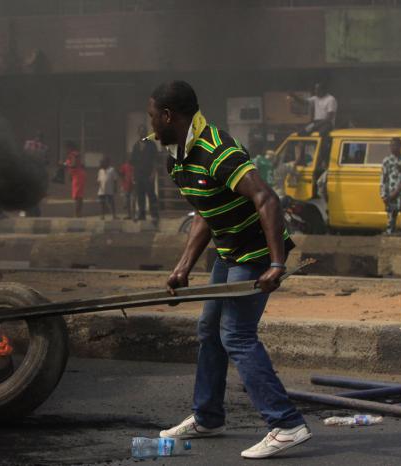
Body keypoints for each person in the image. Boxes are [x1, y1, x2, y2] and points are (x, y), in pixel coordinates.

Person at [148, 81, 310, 459]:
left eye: (153, 116)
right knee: (209, 329)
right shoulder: (177, 157)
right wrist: (182, 267)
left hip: (254, 252)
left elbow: (265, 198)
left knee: (235, 334)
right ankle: (208, 416)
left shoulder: (217, 151)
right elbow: (208, 212)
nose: (151, 124)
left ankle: (286, 424)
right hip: (228, 249)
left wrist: (275, 263)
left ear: (169, 115)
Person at [130, 124, 160, 222]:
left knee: (151, 195)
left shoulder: (152, 145)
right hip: (139, 175)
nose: (142, 133)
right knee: (140, 195)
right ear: (138, 133)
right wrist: (133, 176)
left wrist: (153, 174)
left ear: (146, 133)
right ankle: (142, 214)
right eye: (140, 131)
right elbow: (132, 163)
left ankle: (154, 215)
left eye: (144, 131)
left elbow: (155, 161)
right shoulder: (135, 146)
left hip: (148, 174)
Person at [380, 137, 401, 234]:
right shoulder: (387, 160)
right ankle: (390, 235)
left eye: (395, 145)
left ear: (400, 146)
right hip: (391, 193)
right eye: (391, 145)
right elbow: (383, 178)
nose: (393, 148)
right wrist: (383, 194)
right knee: (391, 217)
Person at [22, 131, 49, 217]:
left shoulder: (28, 144)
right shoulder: (44, 147)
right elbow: (45, 161)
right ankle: (34, 211)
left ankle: (29, 211)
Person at [63, 140, 86, 217]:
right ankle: (78, 213)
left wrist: (64, 165)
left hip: (78, 176)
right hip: (77, 176)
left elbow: (73, 165)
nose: (65, 150)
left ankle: (77, 214)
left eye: (66, 148)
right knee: (78, 196)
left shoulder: (73, 154)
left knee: (77, 196)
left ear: (70, 147)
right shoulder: (73, 154)